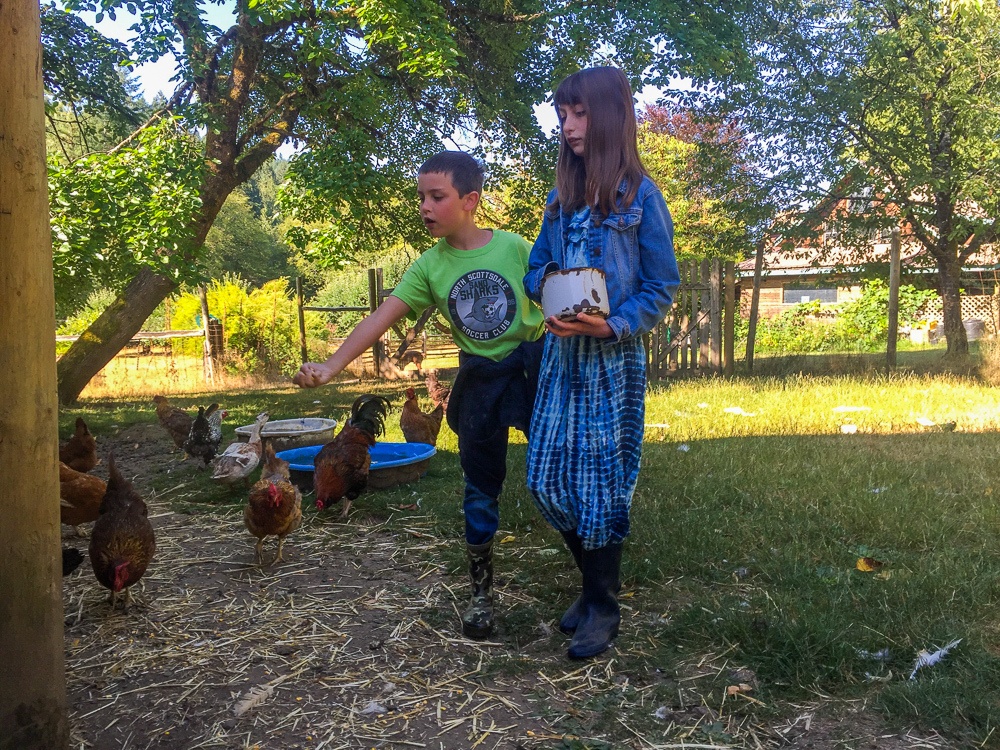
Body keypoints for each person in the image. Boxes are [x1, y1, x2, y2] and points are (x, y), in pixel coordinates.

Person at [294, 151, 545, 640]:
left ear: (469, 201)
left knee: (556, 471)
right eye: (421, 198)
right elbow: (378, 319)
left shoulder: (516, 248)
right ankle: (481, 595)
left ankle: (593, 581)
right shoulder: (430, 266)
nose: (425, 207)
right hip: (479, 382)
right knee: (479, 485)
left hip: (533, 370)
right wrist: (330, 366)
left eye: (437, 197)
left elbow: (556, 296)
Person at [522, 67, 681, 659]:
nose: (567, 126)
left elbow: (661, 287)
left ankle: (602, 606)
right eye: (563, 115)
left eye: (579, 114)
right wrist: (553, 290)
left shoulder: (640, 198)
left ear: (610, 116)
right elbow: (535, 266)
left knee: (600, 485)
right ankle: (591, 587)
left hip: (612, 362)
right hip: (564, 357)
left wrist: (610, 321)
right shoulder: (559, 201)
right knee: (544, 479)